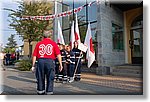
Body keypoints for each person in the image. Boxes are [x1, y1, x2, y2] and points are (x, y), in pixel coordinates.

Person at [31, 30, 63, 95]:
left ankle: (40, 91)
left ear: (43, 36)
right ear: (50, 36)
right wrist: (61, 64)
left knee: (40, 77)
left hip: (40, 61)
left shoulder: (39, 44)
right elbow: (58, 55)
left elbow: (34, 55)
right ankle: (49, 92)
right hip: (50, 61)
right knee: (50, 77)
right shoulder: (53, 43)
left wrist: (33, 65)